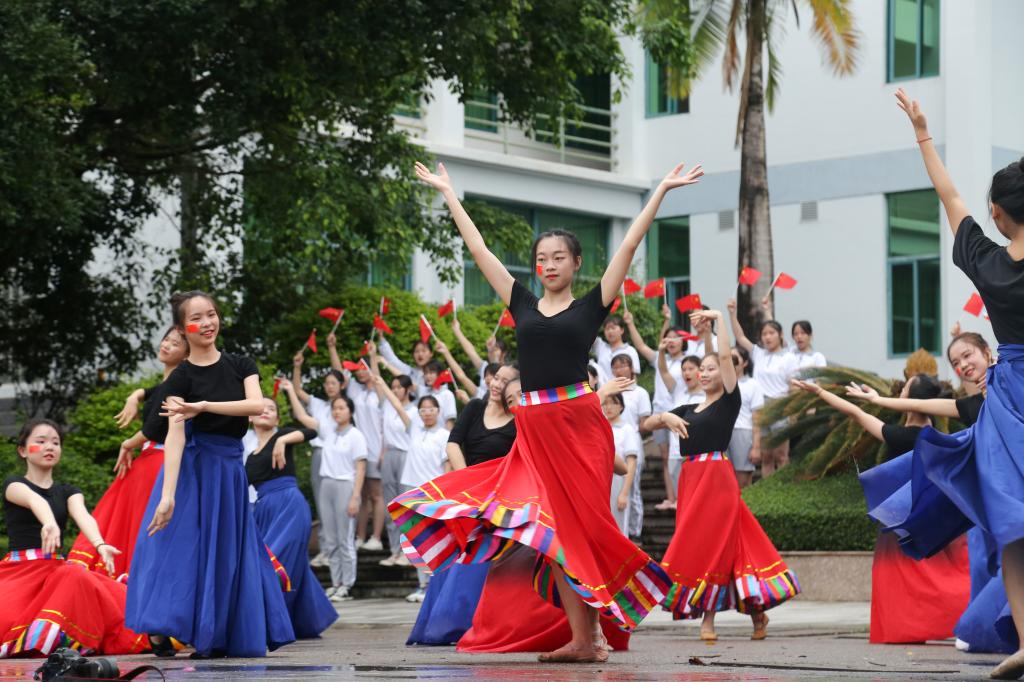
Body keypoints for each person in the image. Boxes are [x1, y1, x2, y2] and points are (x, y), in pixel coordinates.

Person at [393, 158, 701, 663]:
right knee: (551, 534)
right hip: (533, 428)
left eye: (559, 256)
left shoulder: (592, 305)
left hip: (578, 427)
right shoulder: (523, 304)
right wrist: (449, 193)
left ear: (576, 263)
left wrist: (662, 191)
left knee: (581, 529)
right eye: (542, 258)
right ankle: (583, 639)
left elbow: (627, 246)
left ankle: (594, 633)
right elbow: (479, 249)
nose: (549, 264)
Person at [885, 88, 1024, 680]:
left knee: (1014, 524)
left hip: (1011, 390)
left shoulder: (988, 262)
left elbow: (949, 194)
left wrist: (922, 133)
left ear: (996, 213)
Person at [126, 290, 294, 658]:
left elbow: (255, 405)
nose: (207, 323)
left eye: (212, 314)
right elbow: (173, 436)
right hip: (191, 472)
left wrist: (202, 406)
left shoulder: (240, 364)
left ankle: (216, 631)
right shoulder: (179, 379)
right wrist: (167, 495)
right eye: (197, 318)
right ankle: (159, 627)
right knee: (179, 549)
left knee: (227, 553)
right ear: (182, 329)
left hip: (229, 471)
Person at [643, 309, 798, 642]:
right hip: (690, 479)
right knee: (717, 545)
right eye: (701, 369)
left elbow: (725, 355)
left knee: (716, 543)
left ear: (727, 372)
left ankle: (708, 619)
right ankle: (758, 613)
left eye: (711, 368)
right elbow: (646, 424)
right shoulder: (687, 408)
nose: (704, 373)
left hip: (717, 476)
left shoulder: (729, 400)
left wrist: (717, 319)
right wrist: (664, 420)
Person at [792, 375, 970, 644]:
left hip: (902, 517)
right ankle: (941, 622)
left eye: (905, 388)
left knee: (906, 577)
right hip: (924, 514)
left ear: (911, 401)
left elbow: (854, 412)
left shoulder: (902, 436)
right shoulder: (931, 433)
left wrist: (819, 392)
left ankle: (917, 626)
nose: (899, 389)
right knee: (932, 576)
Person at [1, 419, 148, 658]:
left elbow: (84, 516)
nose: (50, 447)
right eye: (40, 441)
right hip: (21, 573)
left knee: (82, 578)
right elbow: (35, 500)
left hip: (55, 573)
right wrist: (48, 522)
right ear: (23, 450)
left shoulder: (68, 491)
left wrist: (100, 544)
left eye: (55, 442)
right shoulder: (14, 484)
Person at [405, 365, 519, 645]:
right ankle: (443, 624)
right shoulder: (475, 407)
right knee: (455, 556)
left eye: (504, 381)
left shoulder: (518, 419)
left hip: (498, 498)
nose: (496, 383)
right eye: (495, 377)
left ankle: (475, 625)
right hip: (467, 493)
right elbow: (453, 444)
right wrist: (469, 481)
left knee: (481, 562)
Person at [68, 327, 188, 578]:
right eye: (166, 339)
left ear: (186, 355)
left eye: (175, 344)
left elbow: (155, 429)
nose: (166, 345)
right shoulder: (168, 383)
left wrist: (128, 443)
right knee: (128, 521)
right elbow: (154, 392)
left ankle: (130, 582)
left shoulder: (180, 382)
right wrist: (135, 395)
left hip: (158, 461)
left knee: (136, 525)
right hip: (150, 462)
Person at [250, 381, 338, 638]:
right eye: (260, 408)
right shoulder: (251, 455)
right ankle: (307, 621)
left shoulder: (283, 436)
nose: (265, 411)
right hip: (264, 510)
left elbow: (313, 431)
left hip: (289, 505)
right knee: (292, 564)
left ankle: (269, 624)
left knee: (275, 562)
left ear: (278, 417)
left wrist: (284, 438)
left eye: (270, 409)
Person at [291, 339, 348, 568]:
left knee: (339, 508)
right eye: (327, 383)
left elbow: (342, 372)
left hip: (340, 459)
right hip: (320, 455)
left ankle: (336, 550)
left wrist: (333, 348)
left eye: (334, 383)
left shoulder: (345, 406)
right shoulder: (318, 404)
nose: (330, 386)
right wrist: (297, 366)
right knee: (322, 504)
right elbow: (297, 390)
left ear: (341, 385)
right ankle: (325, 549)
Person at [728, 299, 799, 476]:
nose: (767, 337)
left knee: (781, 455)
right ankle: (768, 491)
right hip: (760, 409)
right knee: (766, 456)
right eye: (764, 334)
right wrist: (731, 313)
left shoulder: (789, 357)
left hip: (780, 407)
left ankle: (783, 491)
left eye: (771, 333)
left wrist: (793, 412)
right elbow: (740, 337)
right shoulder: (758, 353)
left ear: (780, 335)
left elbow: (793, 386)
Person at [623, 306, 682, 513]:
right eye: (669, 338)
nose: (672, 341)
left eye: (676, 338)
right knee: (666, 457)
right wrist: (629, 323)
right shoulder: (659, 358)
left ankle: (682, 496)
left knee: (680, 456)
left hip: (679, 414)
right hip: (659, 414)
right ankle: (670, 496)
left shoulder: (689, 362)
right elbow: (639, 345)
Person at [365, 341, 419, 568]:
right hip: (388, 457)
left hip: (407, 458)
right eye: (393, 387)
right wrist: (374, 356)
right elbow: (377, 382)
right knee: (391, 507)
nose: (395, 390)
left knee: (406, 506)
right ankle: (396, 551)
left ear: (407, 389)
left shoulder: (415, 411)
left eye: (399, 387)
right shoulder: (386, 406)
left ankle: (409, 552)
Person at [396, 395, 450, 603]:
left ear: (438, 411)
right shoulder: (414, 430)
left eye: (431, 409)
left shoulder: (444, 435)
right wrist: (380, 383)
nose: (427, 413)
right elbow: (398, 406)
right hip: (411, 490)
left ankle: (435, 584)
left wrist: (444, 493)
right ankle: (422, 585)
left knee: (434, 539)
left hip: (432, 491)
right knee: (415, 538)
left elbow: (447, 465)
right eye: (423, 410)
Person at [333, 351, 385, 554]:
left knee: (376, 495)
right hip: (355, 450)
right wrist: (332, 348)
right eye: (359, 368)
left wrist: (373, 357)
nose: (362, 372)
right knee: (361, 495)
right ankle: (361, 536)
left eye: (366, 367)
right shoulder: (355, 390)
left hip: (375, 451)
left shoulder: (379, 392)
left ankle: (377, 537)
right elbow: (339, 373)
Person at [318, 395, 367, 604]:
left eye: (341, 408)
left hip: (346, 486)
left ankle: (347, 584)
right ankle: (336, 582)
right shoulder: (329, 432)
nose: (337, 412)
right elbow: (303, 417)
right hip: (326, 485)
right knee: (331, 538)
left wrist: (355, 497)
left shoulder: (356, 435)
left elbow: (361, 467)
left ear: (350, 411)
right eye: (334, 408)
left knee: (345, 537)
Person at [660, 351, 706, 510]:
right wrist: (661, 351)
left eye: (691, 368)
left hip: (697, 453)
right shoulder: (678, 391)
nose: (686, 372)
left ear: (701, 370)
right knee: (681, 500)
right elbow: (663, 371)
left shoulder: (708, 395)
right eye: (684, 369)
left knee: (696, 500)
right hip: (675, 450)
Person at [601, 392, 640, 535]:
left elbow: (631, 462)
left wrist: (624, 493)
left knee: (619, 529)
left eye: (613, 403)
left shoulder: (627, 429)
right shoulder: (601, 428)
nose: (608, 407)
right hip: (602, 483)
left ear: (621, 406)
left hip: (619, 483)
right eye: (605, 403)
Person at [729, 347, 764, 489]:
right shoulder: (720, 384)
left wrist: (756, 447)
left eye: (735, 359)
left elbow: (757, 418)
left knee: (742, 481)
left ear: (745, 363)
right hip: (722, 433)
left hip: (743, 432)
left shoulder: (752, 385)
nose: (731, 362)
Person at [451, 317, 510, 399]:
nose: (489, 379)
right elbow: (470, 351)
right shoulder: (485, 367)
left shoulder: (509, 371)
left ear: (503, 354)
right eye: (487, 375)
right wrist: (457, 331)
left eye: (495, 349)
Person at [592, 314, 641, 386]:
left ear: (622, 330)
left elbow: (634, 377)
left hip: (623, 392)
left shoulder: (630, 350)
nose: (610, 331)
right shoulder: (600, 346)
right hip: (603, 392)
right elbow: (586, 331)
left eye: (613, 328)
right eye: (607, 329)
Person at [419, 360, 458, 429]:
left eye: (431, 373)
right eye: (426, 373)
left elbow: (449, 421)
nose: (428, 376)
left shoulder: (447, 394)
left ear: (439, 374)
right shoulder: (424, 394)